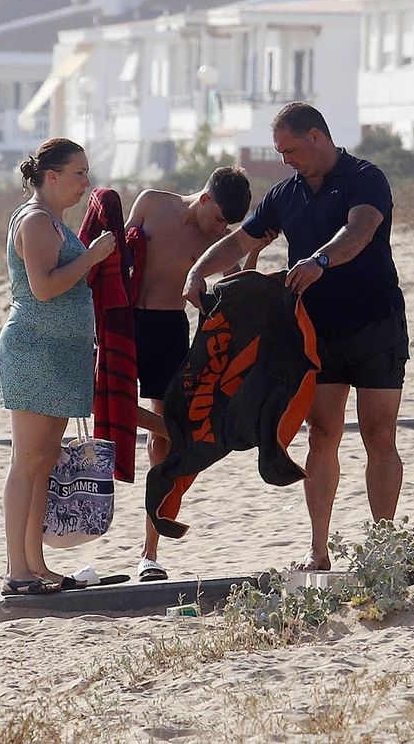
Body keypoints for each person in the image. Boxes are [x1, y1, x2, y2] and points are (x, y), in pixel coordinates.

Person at [183, 103, 408, 571]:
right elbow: (241, 242)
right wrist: (199, 270)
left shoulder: (365, 177)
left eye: (289, 149)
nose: (285, 159)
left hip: (376, 324)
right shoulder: (285, 194)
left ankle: (385, 547)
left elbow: (360, 230)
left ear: (315, 137)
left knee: (378, 433)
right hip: (317, 332)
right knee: (322, 434)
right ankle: (319, 550)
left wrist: (319, 260)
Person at [127, 166, 260, 582]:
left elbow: (237, 285)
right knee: (104, 407)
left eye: (228, 224)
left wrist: (252, 253)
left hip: (169, 329)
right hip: (124, 321)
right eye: (219, 218)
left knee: (160, 444)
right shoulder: (151, 202)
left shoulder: (218, 241)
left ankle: (149, 553)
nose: (221, 228)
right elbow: (115, 260)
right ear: (205, 199)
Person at [0, 138, 115, 595]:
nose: (86, 183)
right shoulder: (36, 220)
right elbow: (43, 288)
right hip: (35, 352)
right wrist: (92, 258)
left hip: (61, 355)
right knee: (26, 462)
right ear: (52, 176)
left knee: (44, 461)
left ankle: (36, 564)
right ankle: (16, 570)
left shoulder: (54, 221)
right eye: (79, 173)